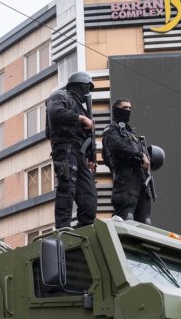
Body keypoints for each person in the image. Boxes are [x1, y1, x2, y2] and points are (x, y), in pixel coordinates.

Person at [45, 71, 97, 229]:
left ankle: (85, 229)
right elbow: (55, 113)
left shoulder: (83, 109)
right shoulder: (61, 96)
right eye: (86, 87)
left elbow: (88, 137)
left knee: (89, 196)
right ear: (80, 85)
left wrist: (90, 157)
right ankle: (63, 228)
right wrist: (80, 118)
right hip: (65, 148)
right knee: (67, 187)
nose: (87, 92)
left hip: (80, 154)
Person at [102, 97, 153, 224]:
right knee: (126, 217)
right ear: (116, 110)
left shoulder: (134, 135)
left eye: (130, 108)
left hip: (142, 180)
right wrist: (140, 154)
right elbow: (117, 145)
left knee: (145, 221)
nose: (128, 110)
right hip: (125, 179)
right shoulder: (111, 130)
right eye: (125, 108)